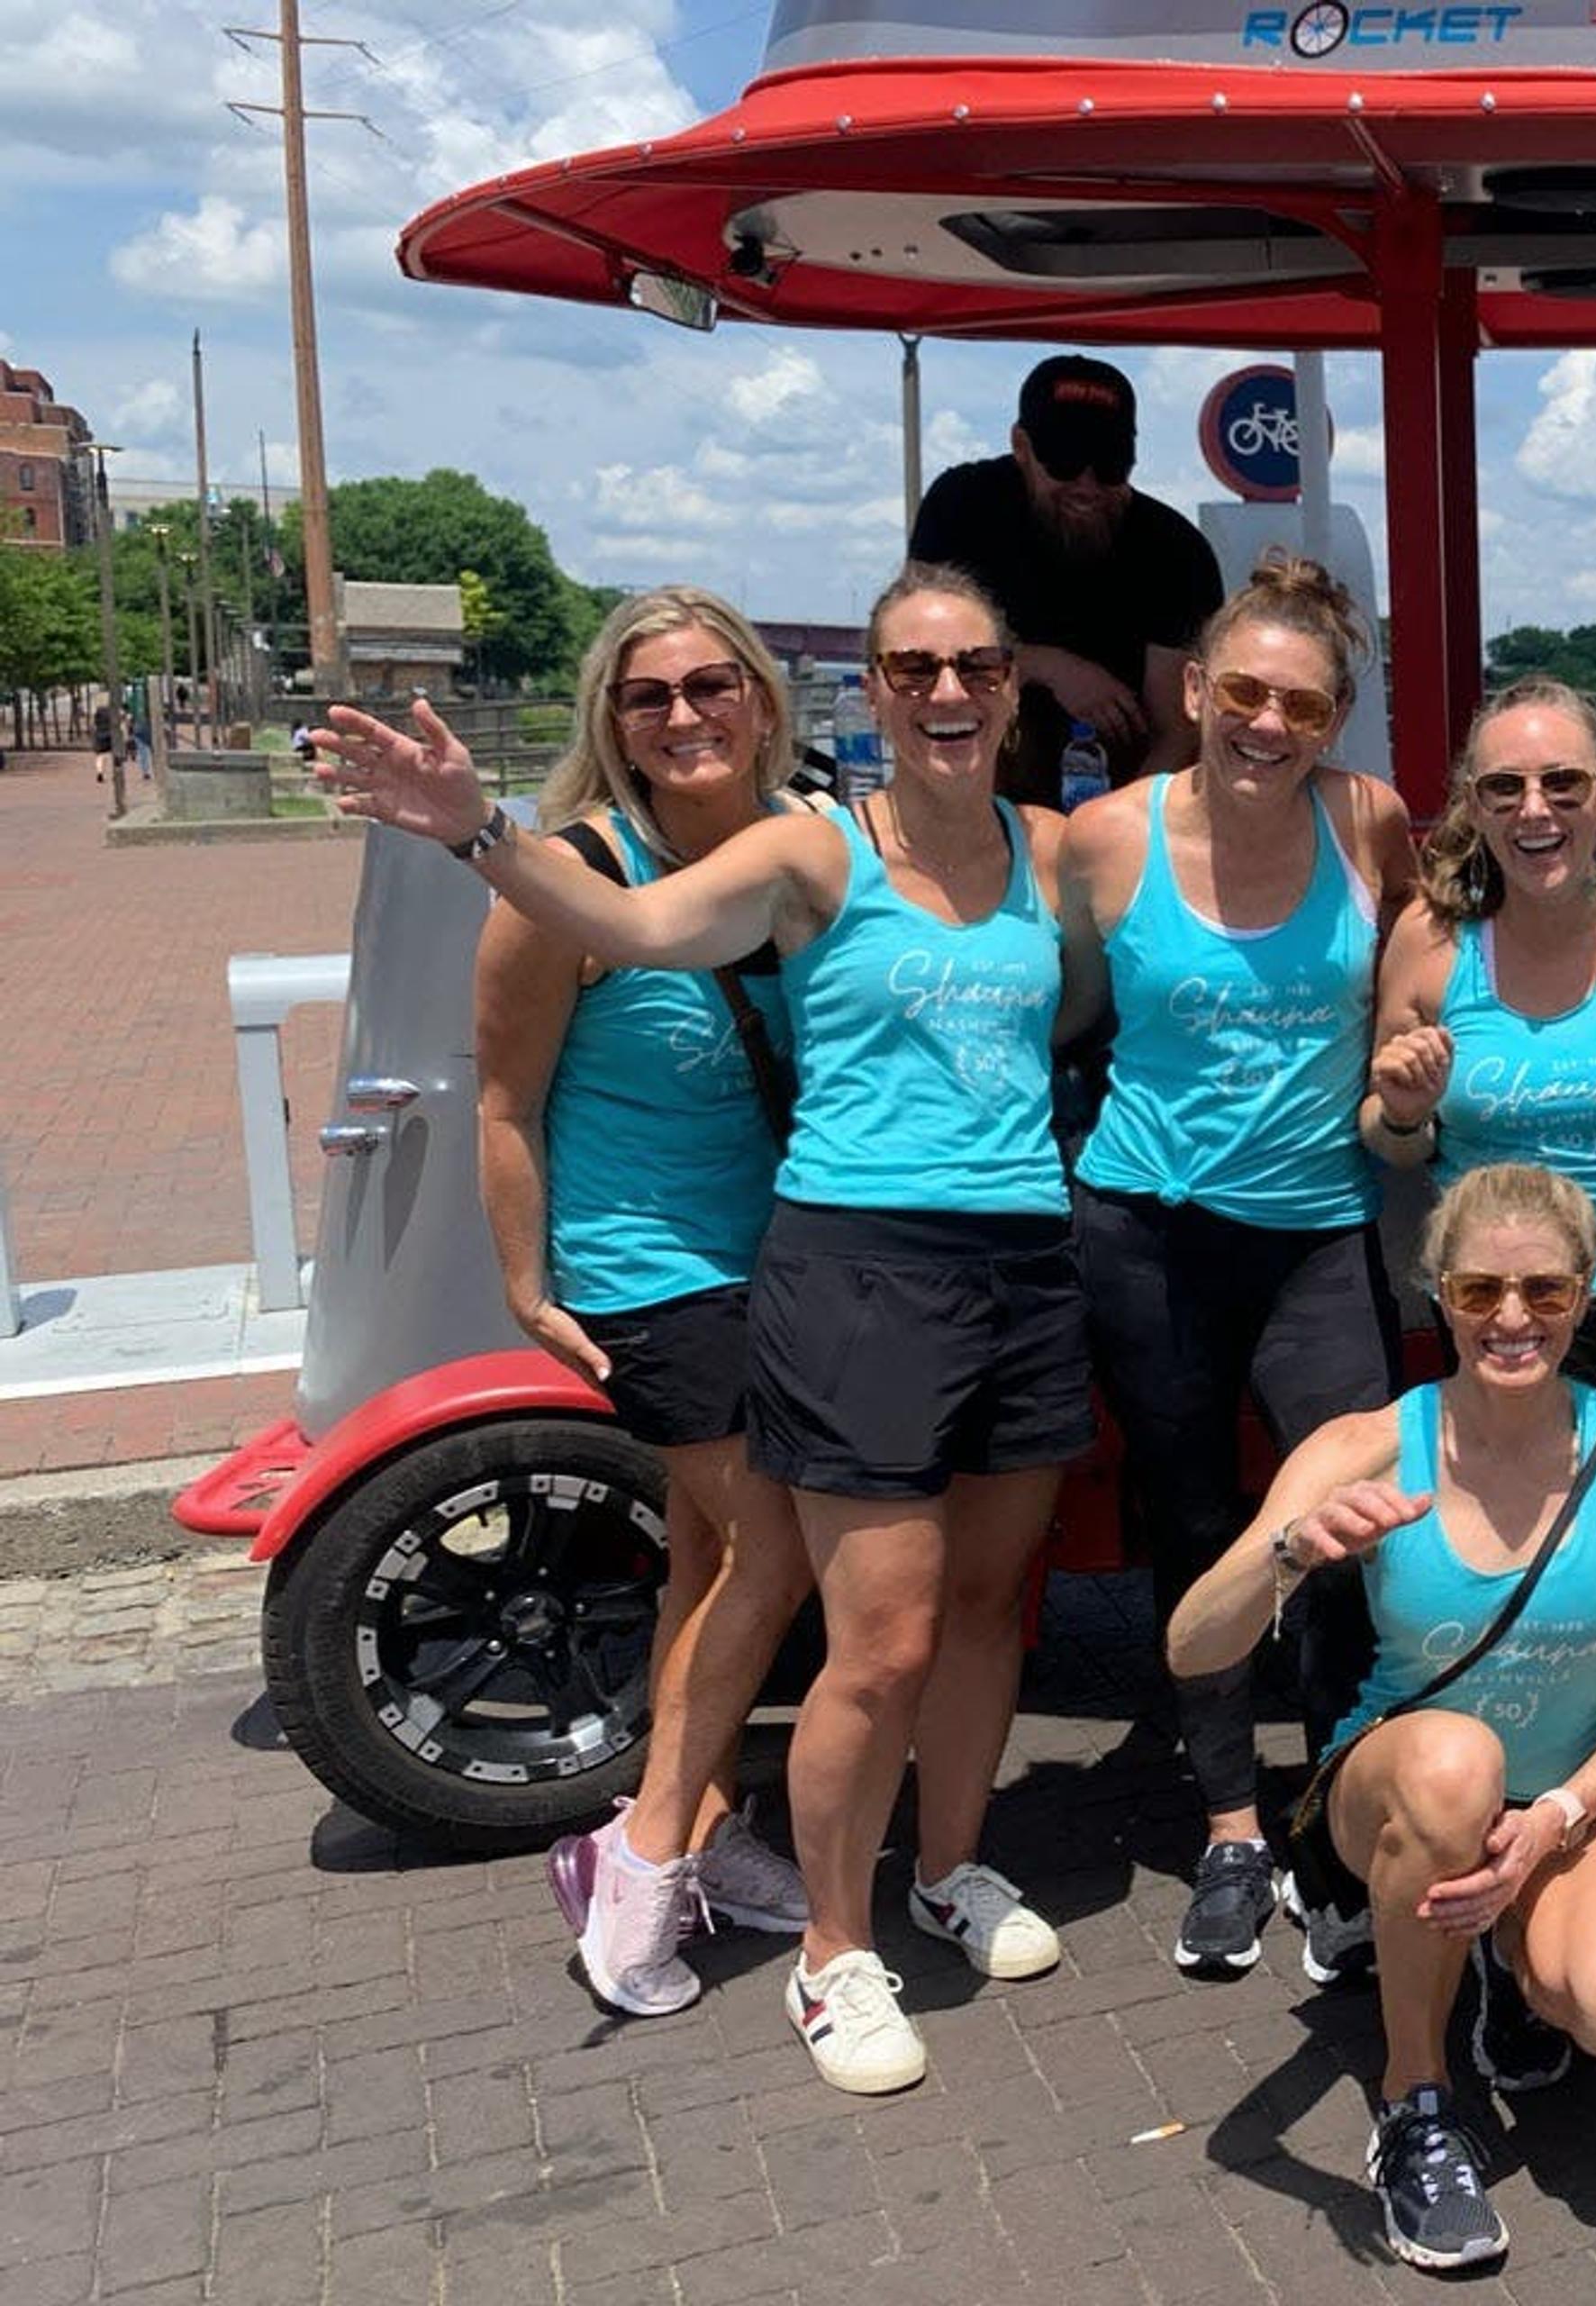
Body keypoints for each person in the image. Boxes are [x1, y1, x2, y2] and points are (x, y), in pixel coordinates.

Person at [313, 562, 1091, 2097]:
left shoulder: (1048, 850)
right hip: (816, 1267)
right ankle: (819, 1943)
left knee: (970, 1601)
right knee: (872, 1631)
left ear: (1012, 685)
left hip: (1008, 1263)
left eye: (977, 666)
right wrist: (476, 829)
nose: (947, 692)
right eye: (913, 668)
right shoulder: (807, 850)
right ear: (871, 689)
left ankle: (931, 1867)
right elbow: (616, 944)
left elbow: (1130, 965)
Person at [1166, 1164, 1596, 2274]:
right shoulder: (1365, 1442)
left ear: (1587, 1292)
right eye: (1479, 1290)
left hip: (1565, 1796)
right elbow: (1191, 1646)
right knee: (1459, 1763)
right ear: (1439, 1295)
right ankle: (1414, 2097)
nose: (1512, 1317)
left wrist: (1556, 1818)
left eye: (1545, 1290)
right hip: (1398, 1783)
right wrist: (1289, 1550)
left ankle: (1504, 1953)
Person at [1057, 552, 1418, 1980]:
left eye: (1305, 706)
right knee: (1201, 1527)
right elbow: (1053, 1011)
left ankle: (1334, 1822)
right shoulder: (1106, 838)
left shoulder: (1368, 821)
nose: (1271, 725)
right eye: (1248, 695)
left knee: (1343, 1530)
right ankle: (1227, 1830)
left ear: (1337, 719)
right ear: (1199, 689)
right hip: (1146, 1232)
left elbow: (1431, 965)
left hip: (1317, 1230)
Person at [473, 586, 820, 2016]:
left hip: (790, 1258)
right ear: (611, 722)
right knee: (778, 1548)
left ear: (760, 698)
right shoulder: (570, 877)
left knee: (705, 1560)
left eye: (710, 684)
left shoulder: (810, 842)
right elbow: (505, 1099)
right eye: (648, 695)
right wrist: (526, 1284)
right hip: (652, 1268)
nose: (684, 715)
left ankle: (712, 1823)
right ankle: (643, 1850)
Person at [1369, 679, 1596, 1452]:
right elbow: (1389, 1135)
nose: (1535, 809)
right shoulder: (1432, 938)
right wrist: (1402, 1113)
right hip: (1494, 1306)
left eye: (1562, 783)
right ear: (1474, 804)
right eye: (1505, 788)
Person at [909, 351, 1226, 808]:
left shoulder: (1175, 549)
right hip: (979, 787)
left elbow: (1177, 733)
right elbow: (918, 652)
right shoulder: (963, 505)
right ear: (1021, 447)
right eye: (1064, 460)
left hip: (1125, 787)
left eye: (1110, 464)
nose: (1087, 484)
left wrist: (1115, 828)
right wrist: (1048, 666)